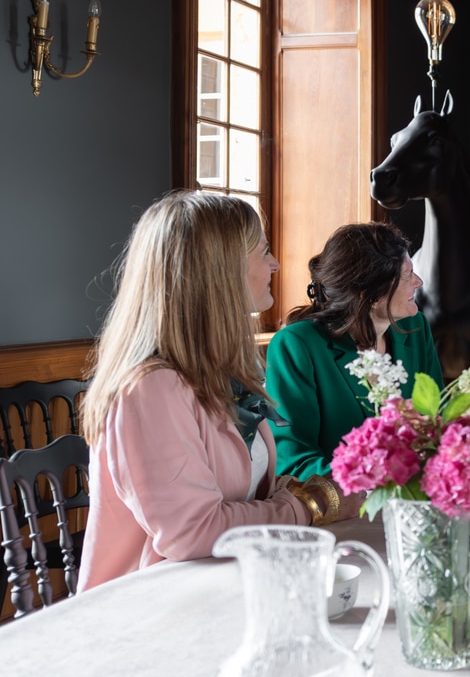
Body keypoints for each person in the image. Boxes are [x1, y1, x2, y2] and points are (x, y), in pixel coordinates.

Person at [80, 191, 364, 590]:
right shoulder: (151, 389)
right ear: (221, 272)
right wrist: (311, 504)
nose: (275, 264)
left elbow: (240, 491)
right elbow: (193, 532)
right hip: (151, 602)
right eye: (263, 251)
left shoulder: (217, 371)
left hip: (225, 584)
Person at [267, 222, 443, 480]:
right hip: (341, 501)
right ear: (370, 295)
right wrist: (376, 481)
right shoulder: (296, 345)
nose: (419, 282)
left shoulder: (415, 328)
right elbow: (293, 461)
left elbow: (437, 423)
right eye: (407, 276)